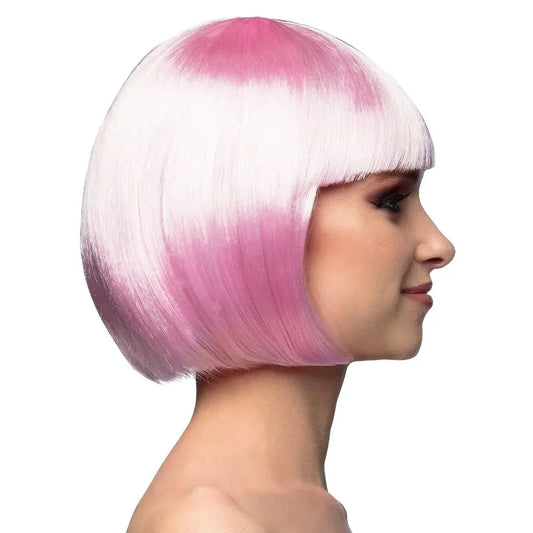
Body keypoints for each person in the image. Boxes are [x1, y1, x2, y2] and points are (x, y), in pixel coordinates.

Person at [80, 15, 455, 532]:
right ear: (251, 220)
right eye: (391, 201)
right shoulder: (208, 522)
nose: (439, 246)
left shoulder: (300, 509)